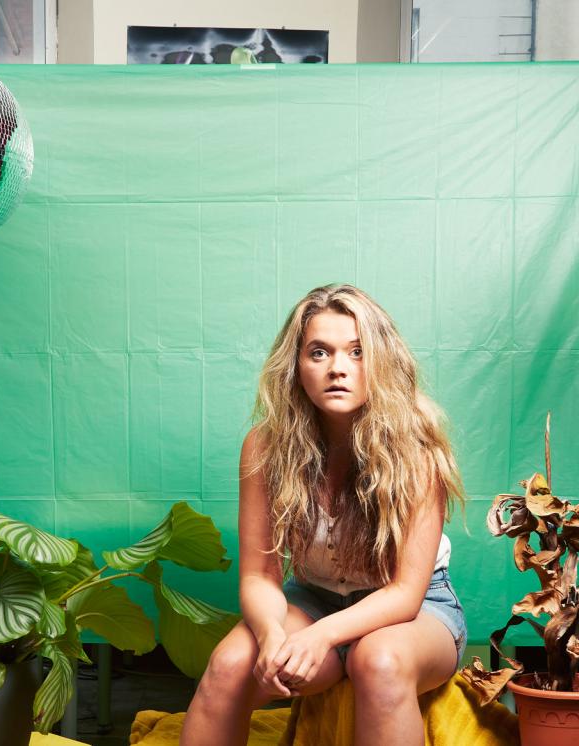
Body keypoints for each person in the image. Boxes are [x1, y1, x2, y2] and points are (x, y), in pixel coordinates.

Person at [182, 284, 468, 746]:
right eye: (319, 352)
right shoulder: (266, 446)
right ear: (295, 366)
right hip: (312, 598)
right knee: (229, 666)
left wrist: (321, 637)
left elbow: (406, 593)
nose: (338, 368)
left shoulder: (416, 449)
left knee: (378, 662)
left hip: (411, 609)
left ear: (381, 361)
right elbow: (260, 574)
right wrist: (273, 635)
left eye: (357, 352)